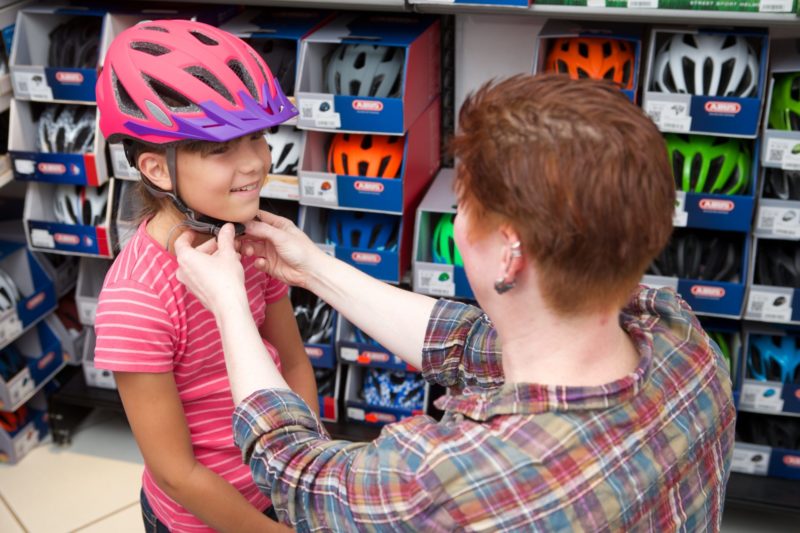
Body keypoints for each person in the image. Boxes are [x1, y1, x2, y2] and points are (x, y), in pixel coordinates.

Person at [175, 74, 736, 531]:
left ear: (509, 251)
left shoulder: (459, 478)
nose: (457, 224)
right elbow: (472, 345)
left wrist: (228, 304)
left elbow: (293, 466)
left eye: (463, 207)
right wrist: (314, 269)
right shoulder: (679, 337)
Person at [92, 20, 312, 532]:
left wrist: (303, 469)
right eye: (221, 148)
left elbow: (294, 364)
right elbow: (176, 472)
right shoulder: (137, 298)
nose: (256, 162)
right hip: (208, 519)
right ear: (158, 169)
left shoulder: (249, 239)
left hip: (281, 482)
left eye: (257, 136)